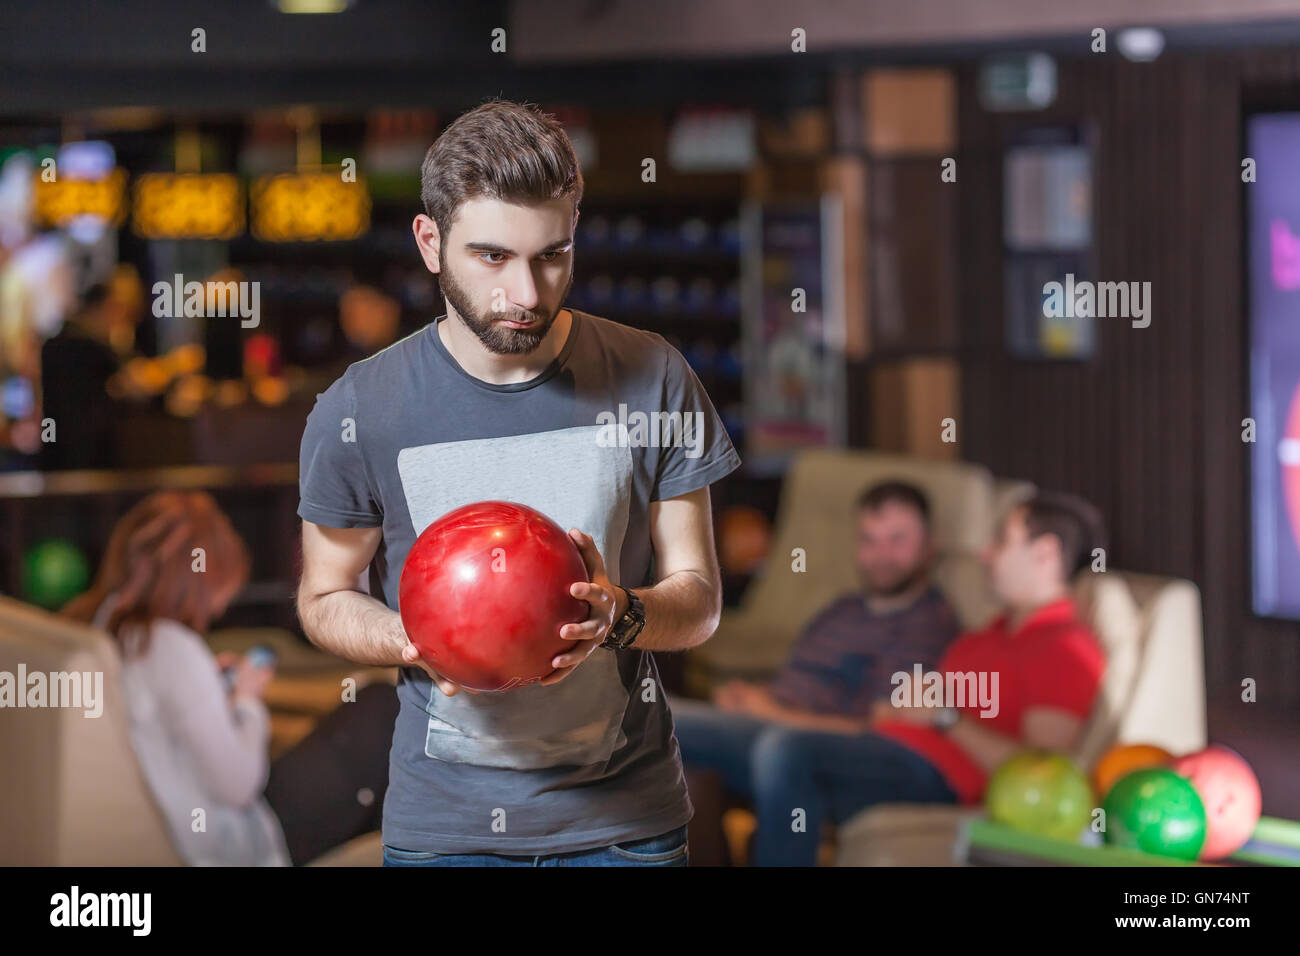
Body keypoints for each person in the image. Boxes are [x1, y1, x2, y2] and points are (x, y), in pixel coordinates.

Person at [295, 98, 742, 867]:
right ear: (430, 243)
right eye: (493, 257)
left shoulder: (653, 376)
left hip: (625, 827)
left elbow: (698, 600)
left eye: (552, 255)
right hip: (446, 832)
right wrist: (409, 637)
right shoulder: (360, 407)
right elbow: (324, 596)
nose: (528, 294)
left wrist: (622, 616)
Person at [749, 491, 1108, 866]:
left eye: (1001, 539)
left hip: (940, 776)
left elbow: (1042, 772)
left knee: (784, 750)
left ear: (1045, 553)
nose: (985, 553)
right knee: (715, 745)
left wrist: (946, 719)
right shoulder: (986, 636)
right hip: (886, 749)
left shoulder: (1065, 646)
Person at [61, 490, 398, 866]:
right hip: (236, 846)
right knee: (381, 706)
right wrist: (247, 700)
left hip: (187, 824)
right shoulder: (168, 646)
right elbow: (239, 784)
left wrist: (208, 687)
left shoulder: (96, 626)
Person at [671, 481, 961, 863]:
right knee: (675, 762)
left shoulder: (926, 625)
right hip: (763, 726)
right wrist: (751, 697)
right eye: (870, 540)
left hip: (805, 744)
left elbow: (878, 731)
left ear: (929, 547)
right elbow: (800, 679)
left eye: (897, 540)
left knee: (659, 719)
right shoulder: (844, 608)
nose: (881, 555)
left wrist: (772, 713)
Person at [39, 283, 122, 471]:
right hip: (89, 456)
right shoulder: (93, 350)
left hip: (55, 452)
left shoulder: (51, 346)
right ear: (101, 308)